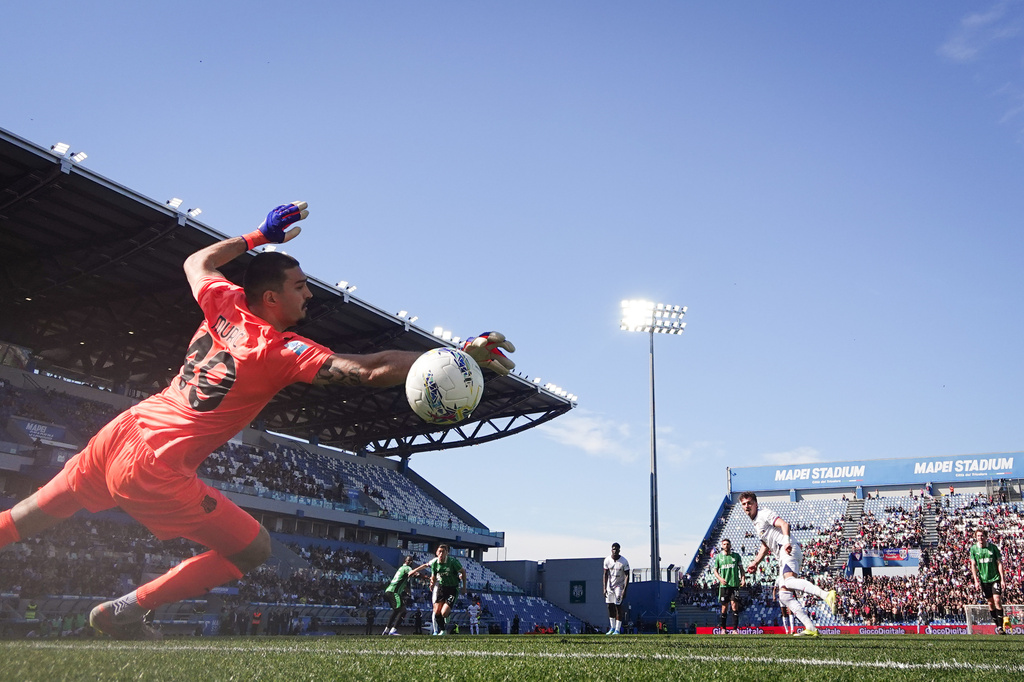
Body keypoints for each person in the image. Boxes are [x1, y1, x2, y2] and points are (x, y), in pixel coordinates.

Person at [0, 202, 516, 640]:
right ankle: (130, 609)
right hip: (156, 462)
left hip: (122, 430)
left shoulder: (222, 302)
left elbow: (197, 261)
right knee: (253, 549)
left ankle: (126, 611)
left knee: (27, 517)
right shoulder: (278, 349)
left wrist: (258, 236)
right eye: (299, 286)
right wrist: (453, 356)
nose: (308, 295)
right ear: (272, 298)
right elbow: (367, 371)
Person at [739, 492, 837, 637]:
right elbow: (765, 545)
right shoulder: (756, 522)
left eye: (749, 503)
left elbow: (784, 524)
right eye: (744, 504)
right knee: (784, 596)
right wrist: (755, 562)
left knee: (789, 582)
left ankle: (826, 594)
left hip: (787, 549)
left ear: (756, 504)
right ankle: (810, 627)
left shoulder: (764, 514)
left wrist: (786, 542)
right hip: (782, 554)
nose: (747, 506)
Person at [969, 528, 1008, 634]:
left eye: (982, 535)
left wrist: (1002, 579)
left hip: (995, 578)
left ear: (986, 537)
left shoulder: (993, 548)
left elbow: (999, 563)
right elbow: (973, 565)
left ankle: (1000, 628)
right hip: (984, 580)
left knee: (997, 600)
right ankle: (998, 625)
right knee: (990, 603)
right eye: (978, 536)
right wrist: (976, 581)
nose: (980, 538)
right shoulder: (973, 549)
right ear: (976, 537)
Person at [381, 555, 429, 635]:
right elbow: (413, 574)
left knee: (396, 611)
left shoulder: (401, 568)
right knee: (403, 611)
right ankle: (393, 630)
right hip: (394, 592)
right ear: (409, 562)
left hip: (390, 591)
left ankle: (386, 630)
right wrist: (426, 577)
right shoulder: (407, 568)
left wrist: (407, 590)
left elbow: (402, 581)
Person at [428, 543, 467, 635]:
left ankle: (447, 615)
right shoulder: (435, 563)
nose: (441, 554)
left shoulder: (452, 562)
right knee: (436, 611)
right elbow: (433, 576)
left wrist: (464, 587)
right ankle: (443, 630)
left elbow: (463, 572)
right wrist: (432, 584)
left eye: (443, 552)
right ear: (437, 553)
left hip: (452, 589)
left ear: (447, 553)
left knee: (444, 613)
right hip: (441, 588)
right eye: (439, 551)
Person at [712, 538, 745, 631]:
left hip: (734, 585)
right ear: (722, 546)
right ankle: (723, 629)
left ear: (730, 545)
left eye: (727, 544)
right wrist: (720, 578)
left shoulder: (736, 556)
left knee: (734, 606)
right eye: (724, 544)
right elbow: (715, 570)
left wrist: (743, 578)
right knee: (724, 607)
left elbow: (741, 569)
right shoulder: (719, 557)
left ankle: (735, 629)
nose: (726, 546)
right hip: (724, 586)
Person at [602, 542, 629, 635]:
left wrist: (624, 589)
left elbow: (627, 575)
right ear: (611, 550)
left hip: (619, 586)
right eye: (614, 549)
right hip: (610, 586)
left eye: (617, 549)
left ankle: (617, 629)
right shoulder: (607, 560)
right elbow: (605, 574)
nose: (615, 551)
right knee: (610, 606)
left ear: (619, 550)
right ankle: (612, 628)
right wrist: (604, 588)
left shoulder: (624, 561)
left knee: (618, 606)